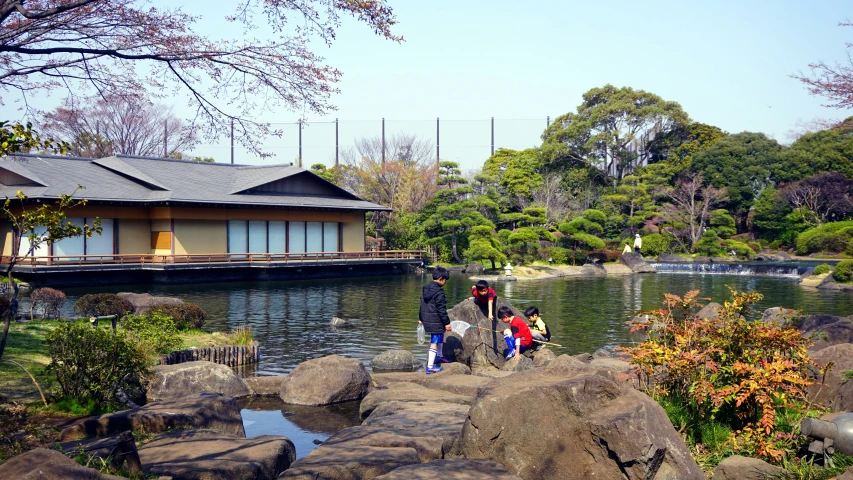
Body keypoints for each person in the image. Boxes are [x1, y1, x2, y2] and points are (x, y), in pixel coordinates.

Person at [419, 266, 452, 373]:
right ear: (441, 279)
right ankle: (430, 367)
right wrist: (447, 322)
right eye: (445, 280)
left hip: (427, 318)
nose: (445, 282)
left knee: (440, 336)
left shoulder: (425, 288)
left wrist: (420, 318)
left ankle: (439, 356)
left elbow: (421, 305)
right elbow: (441, 309)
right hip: (436, 320)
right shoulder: (439, 292)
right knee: (435, 341)